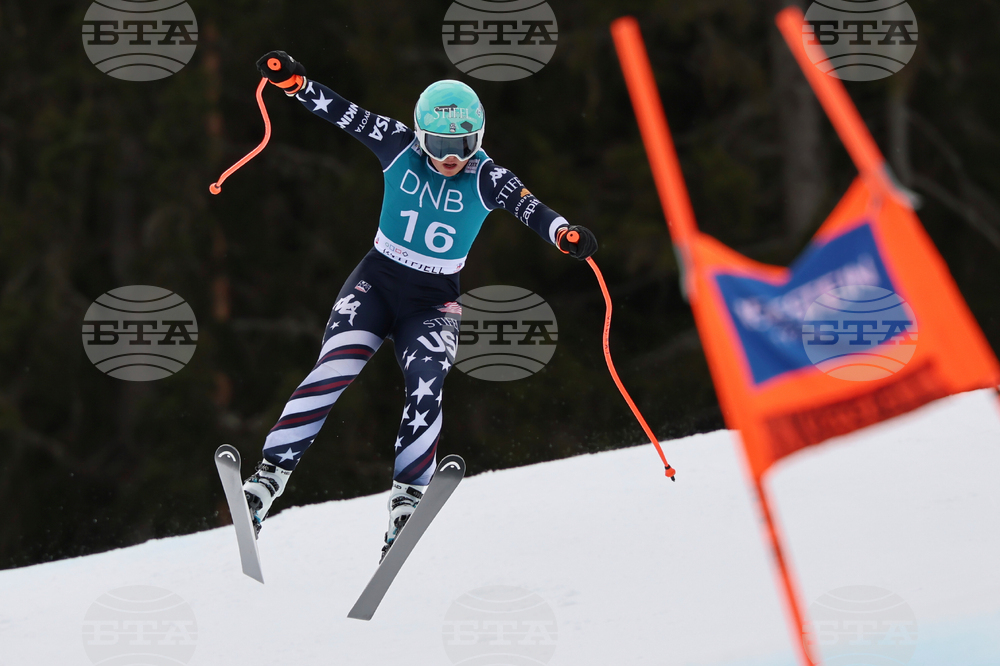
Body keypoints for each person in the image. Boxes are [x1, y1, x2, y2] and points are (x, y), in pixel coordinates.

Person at [241, 51, 598, 560]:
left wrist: (564, 234)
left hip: (432, 301)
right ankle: (266, 480)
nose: (451, 157)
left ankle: (407, 498)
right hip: (377, 283)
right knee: (334, 368)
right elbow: (345, 113)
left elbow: (531, 209)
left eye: (463, 145)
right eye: (440, 144)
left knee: (427, 381)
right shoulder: (397, 144)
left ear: (479, 139)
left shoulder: (487, 176)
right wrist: (296, 83)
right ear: (419, 134)